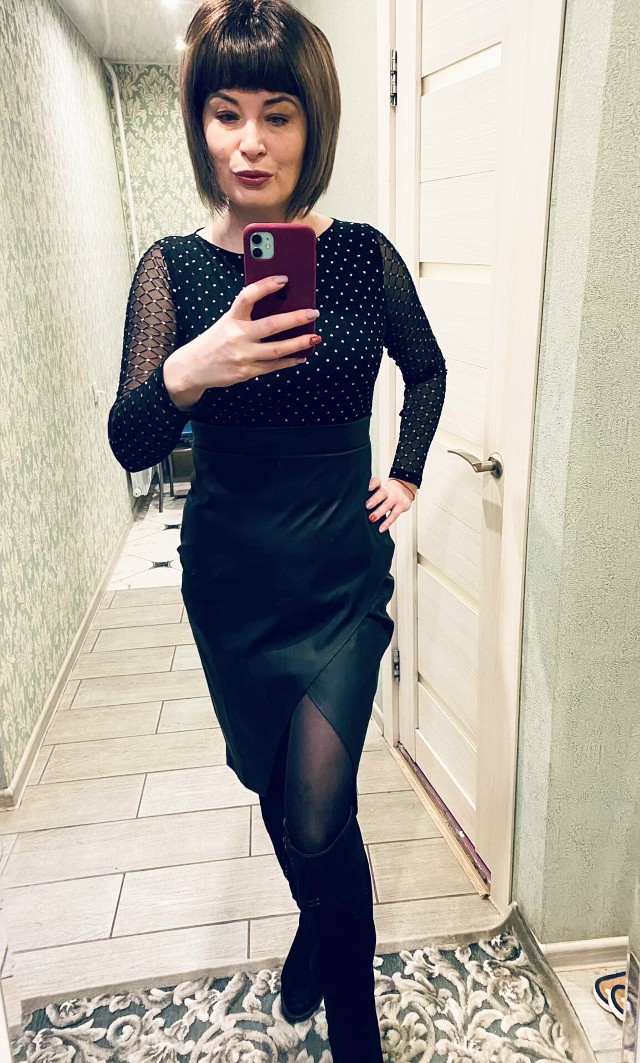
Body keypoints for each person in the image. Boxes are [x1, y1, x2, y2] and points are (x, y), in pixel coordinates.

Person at [108, 0, 447, 1058]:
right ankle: (315, 924)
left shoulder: (364, 258)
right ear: (201, 125)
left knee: (318, 811)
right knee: (273, 781)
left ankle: (358, 1036)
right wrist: (188, 369)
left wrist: (405, 471)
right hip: (232, 581)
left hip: (339, 577)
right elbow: (128, 439)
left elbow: (427, 370)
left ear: (313, 126)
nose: (250, 142)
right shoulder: (172, 269)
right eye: (226, 113)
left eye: (278, 114)